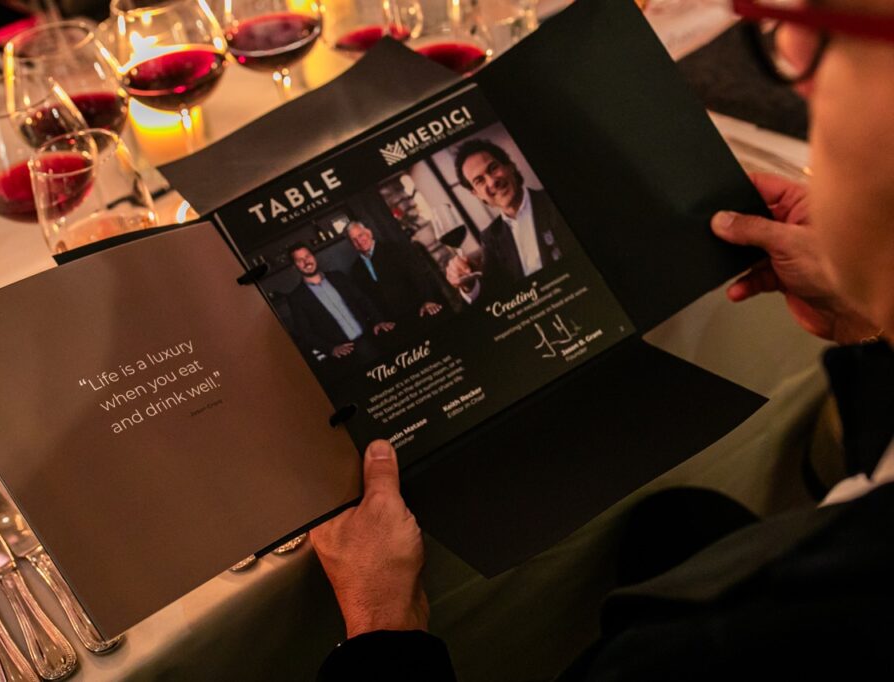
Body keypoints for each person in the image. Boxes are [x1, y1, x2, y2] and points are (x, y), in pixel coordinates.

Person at [310, 1, 894, 678]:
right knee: (675, 523)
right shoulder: (490, 243)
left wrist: (383, 625)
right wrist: (871, 314)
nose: (794, 62)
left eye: (823, 35)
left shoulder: (720, 641)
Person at [445, 139, 570, 304]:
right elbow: (493, 294)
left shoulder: (555, 201)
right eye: (479, 181)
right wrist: (469, 286)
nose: (492, 181)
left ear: (509, 165)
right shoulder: (490, 236)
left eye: (493, 168)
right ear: (476, 193)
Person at [286, 244, 395, 363]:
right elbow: (305, 333)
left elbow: (363, 300)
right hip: (345, 354)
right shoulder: (296, 297)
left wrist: (378, 320)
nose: (306, 261)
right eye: (300, 260)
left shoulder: (338, 277)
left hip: (370, 337)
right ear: (294, 266)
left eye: (308, 256)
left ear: (313, 256)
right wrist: (331, 349)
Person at [345, 221, 444, 323]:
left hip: (420, 311)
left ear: (369, 233)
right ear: (352, 244)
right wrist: (379, 321)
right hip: (392, 323)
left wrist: (428, 300)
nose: (359, 241)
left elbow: (418, 275)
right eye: (354, 240)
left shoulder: (395, 249)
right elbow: (367, 300)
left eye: (360, 235)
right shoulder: (356, 269)